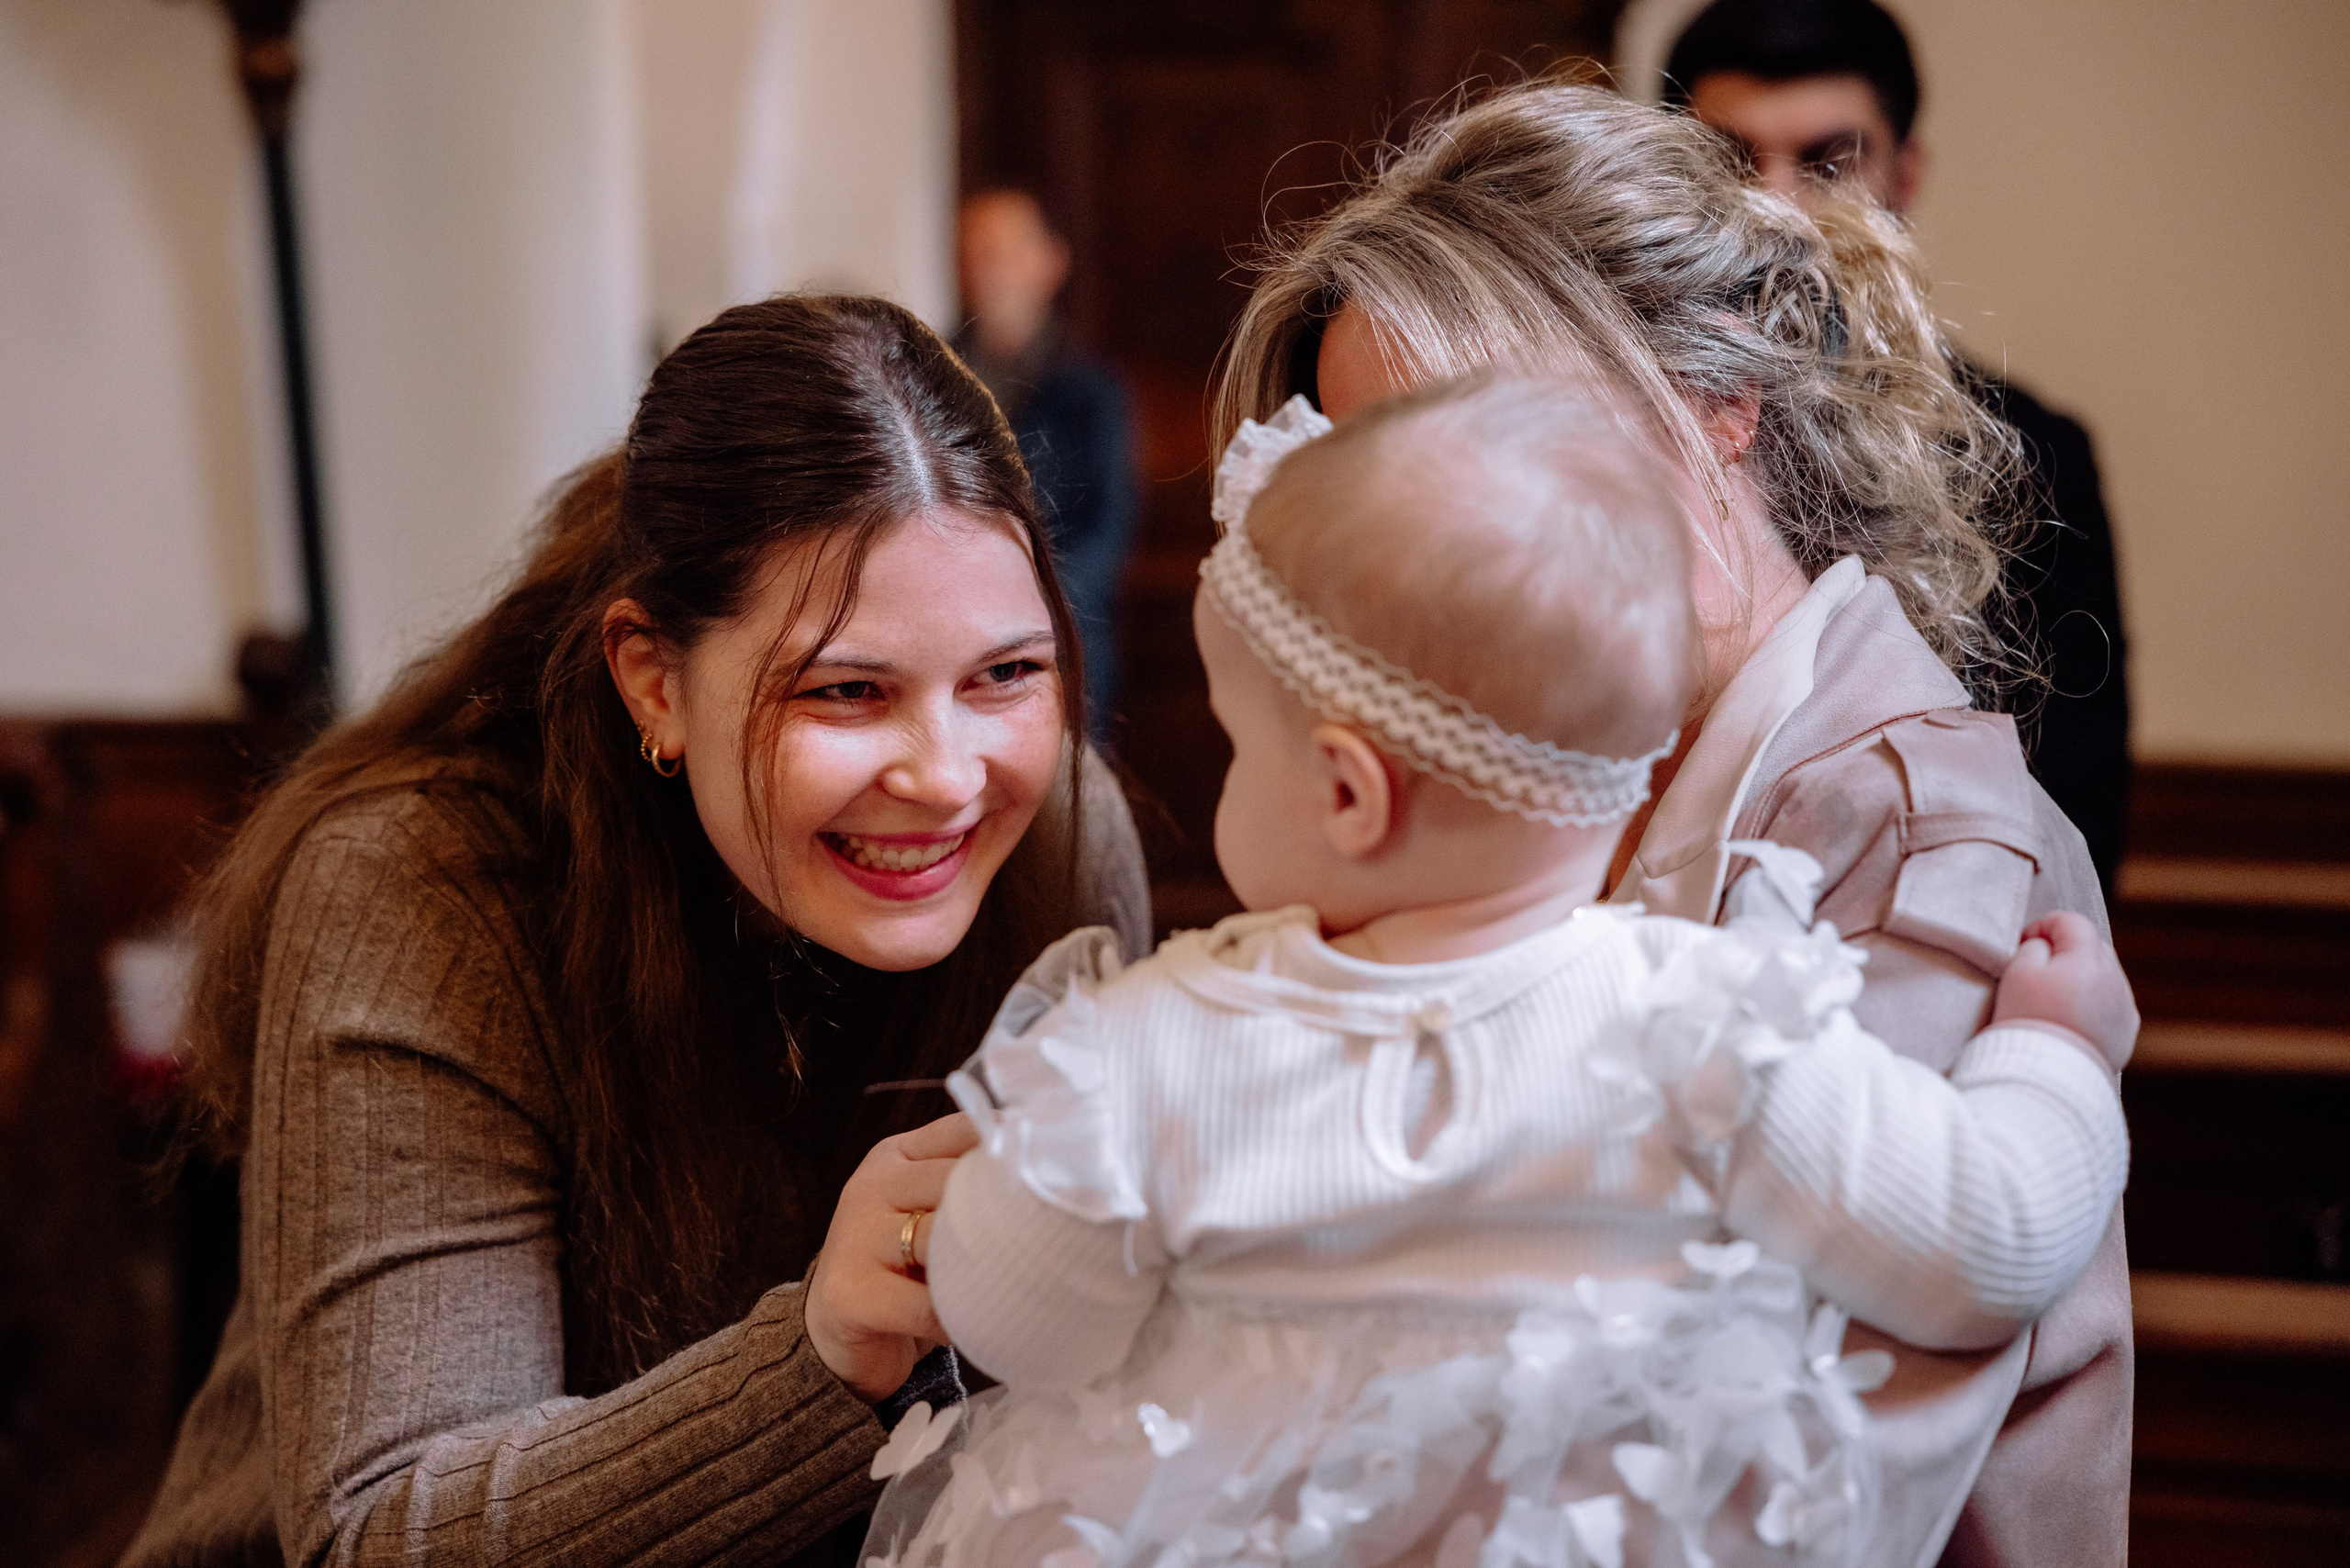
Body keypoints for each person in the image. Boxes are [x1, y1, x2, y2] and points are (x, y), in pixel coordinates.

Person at [864, 376, 2136, 1568]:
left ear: (1350, 793)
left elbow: (1022, 1320)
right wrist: (2056, 1052)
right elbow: (1989, 1241)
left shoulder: (1165, 1041)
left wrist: (977, 1207)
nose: (1225, 786)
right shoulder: (1705, 1027)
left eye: (1241, 748)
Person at [1214, 82, 2132, 1568]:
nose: (1423, 565)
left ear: (1721, 401)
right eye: (1370, 487)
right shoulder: (1511, 778)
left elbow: (1791, 1476)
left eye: (1485, 450)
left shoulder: (1915, 828)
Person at [120, 294, 1150, 1567]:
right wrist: (824, 1355)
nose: (948, 776)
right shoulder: (425, 891)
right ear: (655, 681)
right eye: (847, 691)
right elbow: (385, 1531)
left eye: (1006, 674)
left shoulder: (1059, 835)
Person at [1662, 0, 2132, 894]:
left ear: (1904, 174)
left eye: (1827, 163)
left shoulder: (2029, 452)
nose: (1775, 206)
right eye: (1728, 160)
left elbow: (2073, 806)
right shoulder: (1623, 425)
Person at [956, 190, 1142, 743]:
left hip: (1063, 642)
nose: (989, 270)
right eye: (975, 252)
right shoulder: (923, 372)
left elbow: (1107, 530)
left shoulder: (1093, 391)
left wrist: (1024, 607)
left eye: (1005, 251)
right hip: (950, 641)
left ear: (1050, 262)